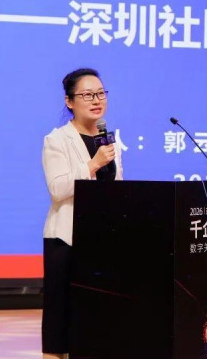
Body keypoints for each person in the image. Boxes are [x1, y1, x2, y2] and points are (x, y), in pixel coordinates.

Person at [40, 68, 123, 359]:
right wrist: (92, 165)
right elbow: (57, 189)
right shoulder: (57, 140)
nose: (96, 100)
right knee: (60, 316)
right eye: (87, 95)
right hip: (66, 240)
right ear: (69, 101)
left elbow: (116, 189)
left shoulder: (108, 140)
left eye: (100, 93)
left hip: (101, 240)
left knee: (94, 315)